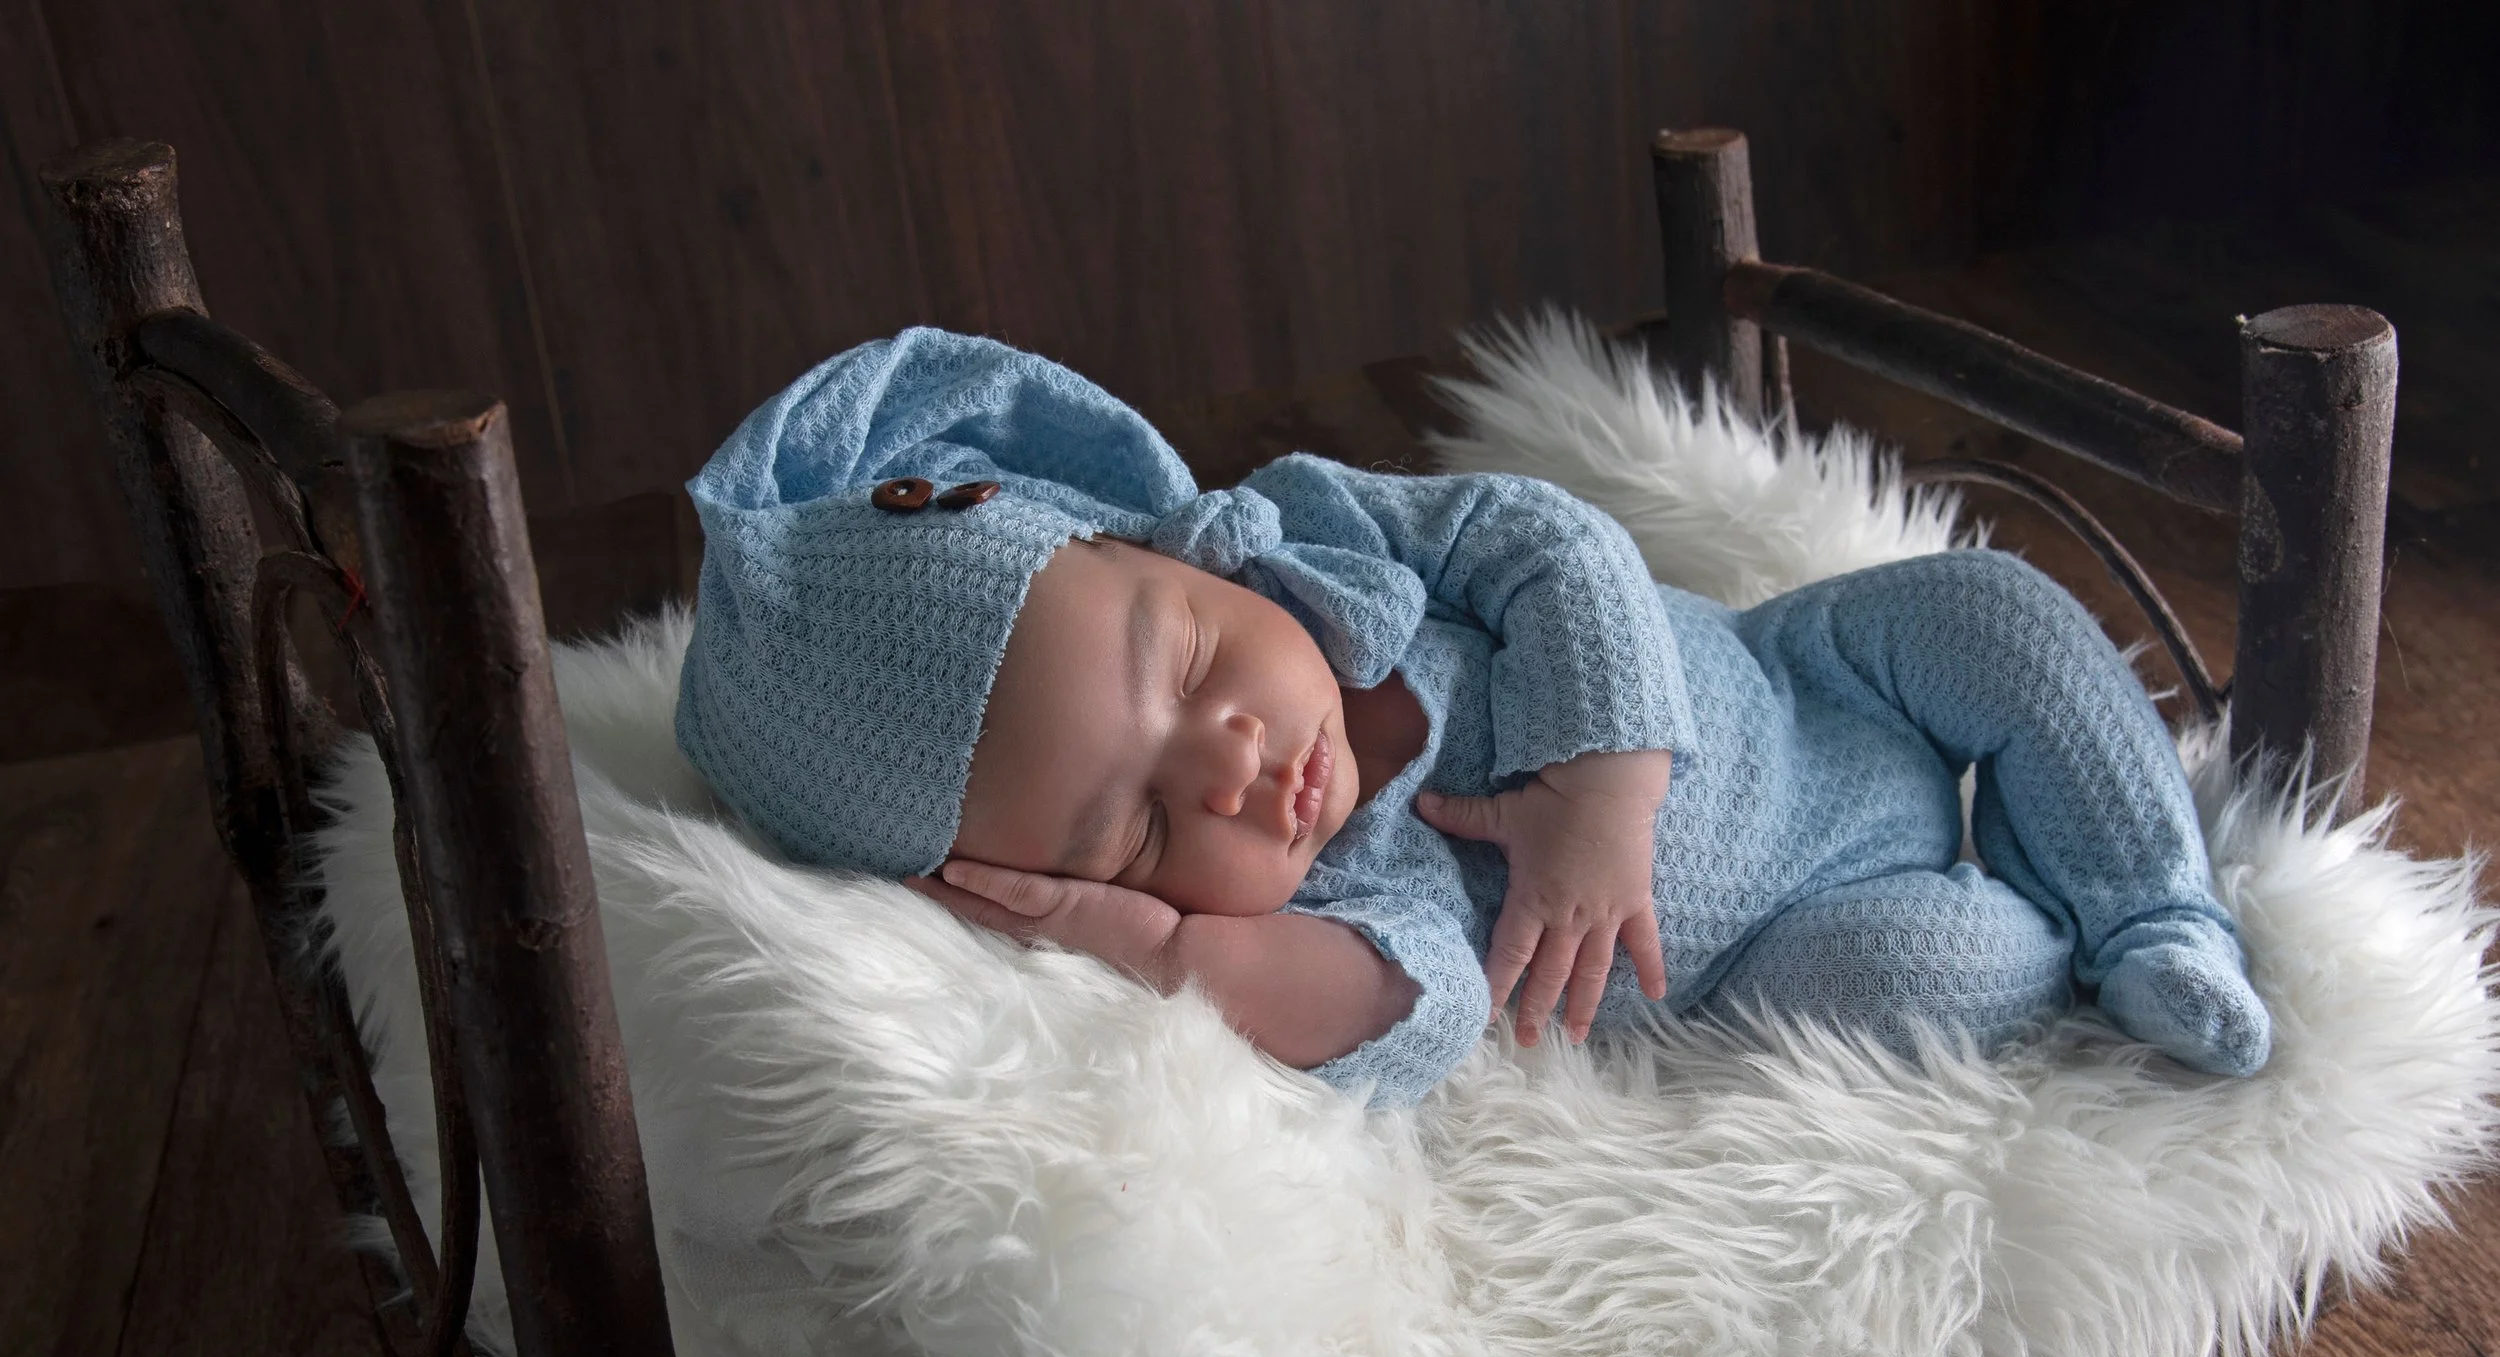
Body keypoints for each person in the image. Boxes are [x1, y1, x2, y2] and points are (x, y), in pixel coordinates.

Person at [675, 328, 2269, 1108]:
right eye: (1145, 830)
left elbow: (1548, 537)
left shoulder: (1316, 528)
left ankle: (2154, 908)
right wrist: (1154, 951)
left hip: (1809, 674)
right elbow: (1406, 1010)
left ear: (1162, 545)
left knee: (1997, 614)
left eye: (1182, 669)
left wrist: (1597, 792)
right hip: (1791, 930)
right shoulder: (1357, 892)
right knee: (1955, 971)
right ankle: (2067, 945)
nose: (1229, 767)